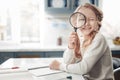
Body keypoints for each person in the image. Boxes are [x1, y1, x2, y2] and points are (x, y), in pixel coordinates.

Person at [49, 3, 114, 80]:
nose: (86, 23)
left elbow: (83, 68)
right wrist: (71, 47)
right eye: (82, 19)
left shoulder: (99, 39)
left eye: (91, 19)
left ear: (97, 23)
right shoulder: (80, 36)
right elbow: (68, 62)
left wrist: (59, 66)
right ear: (76, 23)